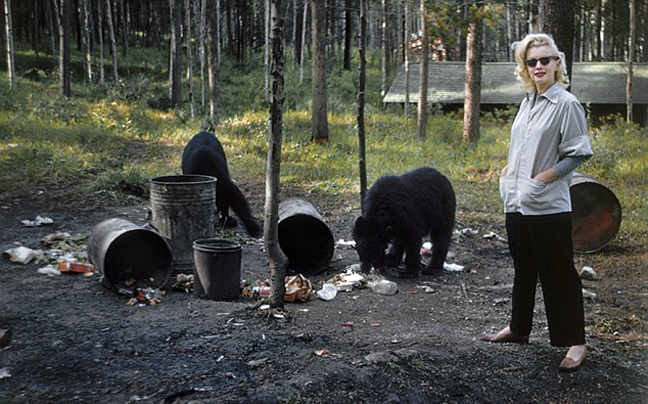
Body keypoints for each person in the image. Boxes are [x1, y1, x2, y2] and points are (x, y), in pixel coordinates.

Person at [481, 33, 593, 372]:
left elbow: (579, 153)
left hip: (547, 205)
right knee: (523, 268)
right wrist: (509, 171)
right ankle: (519, 328)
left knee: (558, 274)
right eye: (533, 61)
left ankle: (575, 342)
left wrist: (543, 178)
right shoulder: (528, 101)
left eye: (546, 59)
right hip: (516, 200)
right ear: (525, 68)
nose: (539, 66)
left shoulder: (566, 104)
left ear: (557, 63)